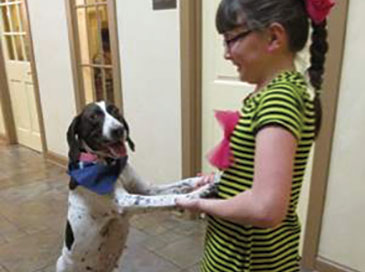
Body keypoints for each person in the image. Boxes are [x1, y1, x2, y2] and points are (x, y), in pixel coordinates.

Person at [176, 0, 335, 271]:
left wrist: (200, 204)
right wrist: (219, 184)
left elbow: (265, 207)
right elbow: (254, 176)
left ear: (274, 37)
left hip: (248, 261)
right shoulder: (276, 92)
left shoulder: (279, 99)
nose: (226, 54)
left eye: (230, 40)